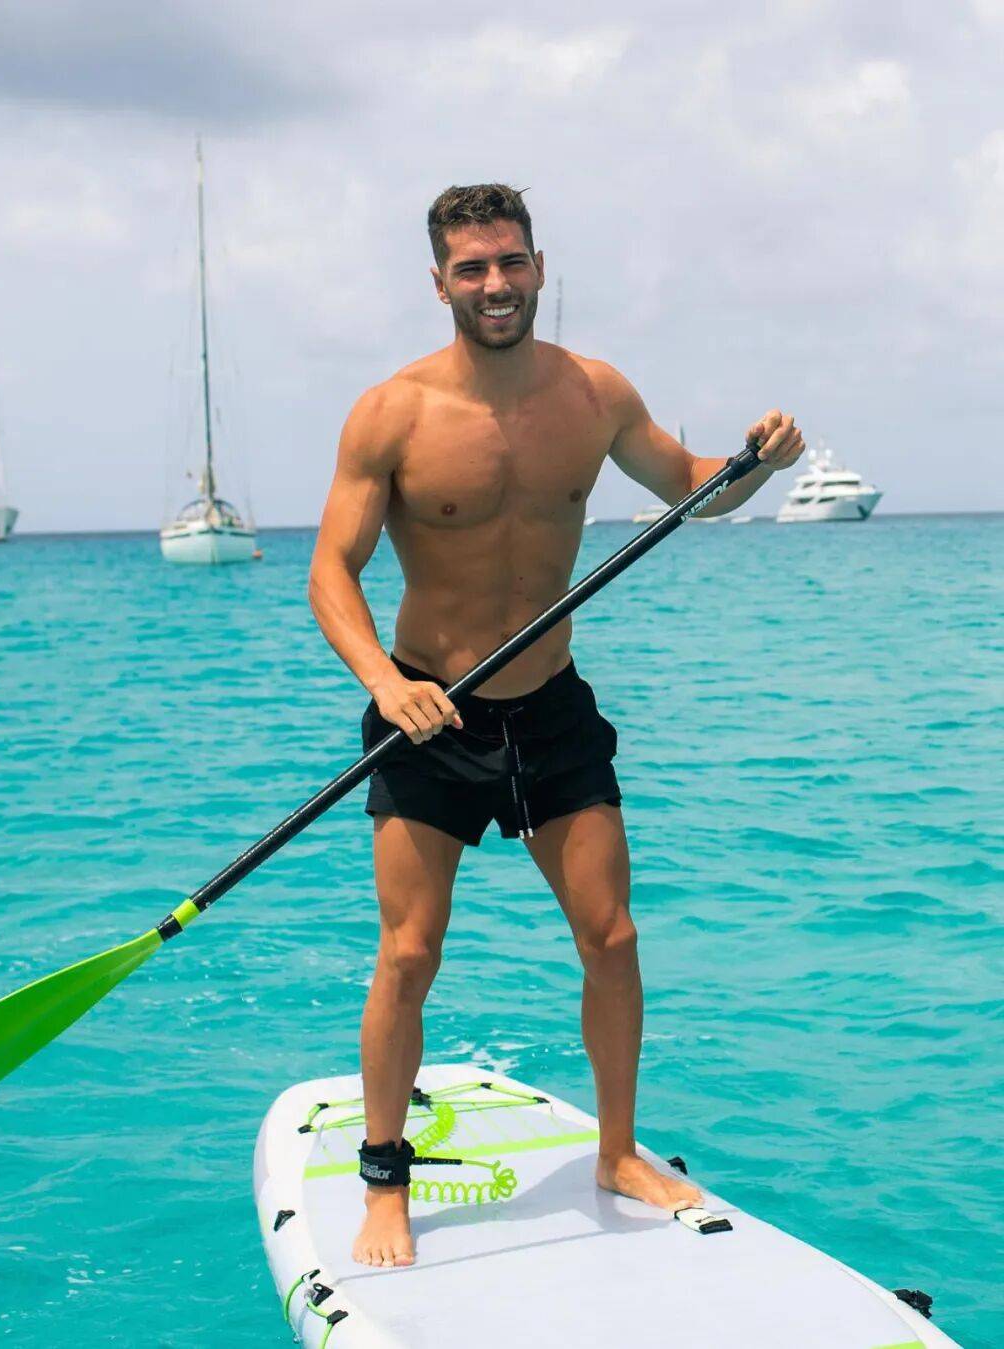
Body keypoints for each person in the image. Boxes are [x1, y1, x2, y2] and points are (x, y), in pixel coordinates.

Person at [308, 183, 804, 1269]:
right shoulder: (393, 412)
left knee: (612, 936)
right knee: (409, 950)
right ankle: (384, 1176)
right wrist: (384, 684)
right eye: (472, 268)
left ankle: (618, 1152)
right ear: (439, 282)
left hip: (551, 707)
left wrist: (756, 462)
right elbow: (331, 571)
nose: (495, 284)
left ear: (538, 267)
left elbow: (692, 489)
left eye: (511, 262)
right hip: (429, 709)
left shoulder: (593, 393)